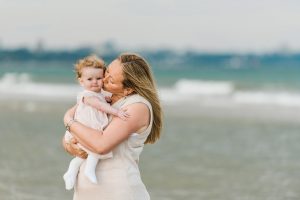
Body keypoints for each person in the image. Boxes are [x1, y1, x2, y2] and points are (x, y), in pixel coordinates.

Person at [62, 52, 162, 200]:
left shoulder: (136, 107)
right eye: (107, 71)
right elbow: (76, 127)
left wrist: (67, 120)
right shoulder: (100, 96)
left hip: (118, 192)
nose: (103, 79)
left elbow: (101, 145)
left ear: (128, 90)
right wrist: (69, 145)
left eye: (111, 80)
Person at [63, 55, 129, 190]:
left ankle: (71, 171)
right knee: (93, 150)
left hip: (92, 126)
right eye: (89, 79)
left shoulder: (99, 95)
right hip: (88, 126)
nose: (95, 82)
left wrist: (106, 99)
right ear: (81, 81)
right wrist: (116, 112)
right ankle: (89, 170)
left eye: (99, 78)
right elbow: (100, 106)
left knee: (83, 155)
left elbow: (102, 101)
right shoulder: (86, 96)